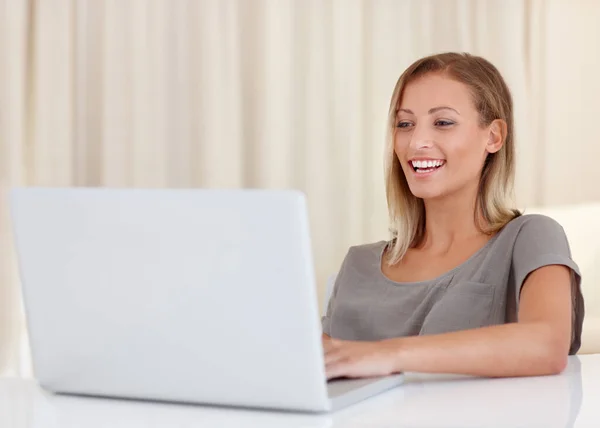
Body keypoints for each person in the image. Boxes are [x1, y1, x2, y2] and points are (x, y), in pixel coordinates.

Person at [321, 52, 585, 380]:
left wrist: (389, 354)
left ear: (493, 136)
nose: (416, 142)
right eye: (405, 124)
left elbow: (546, 345)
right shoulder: (358, 264)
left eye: (443, 122)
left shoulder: (529, 237)